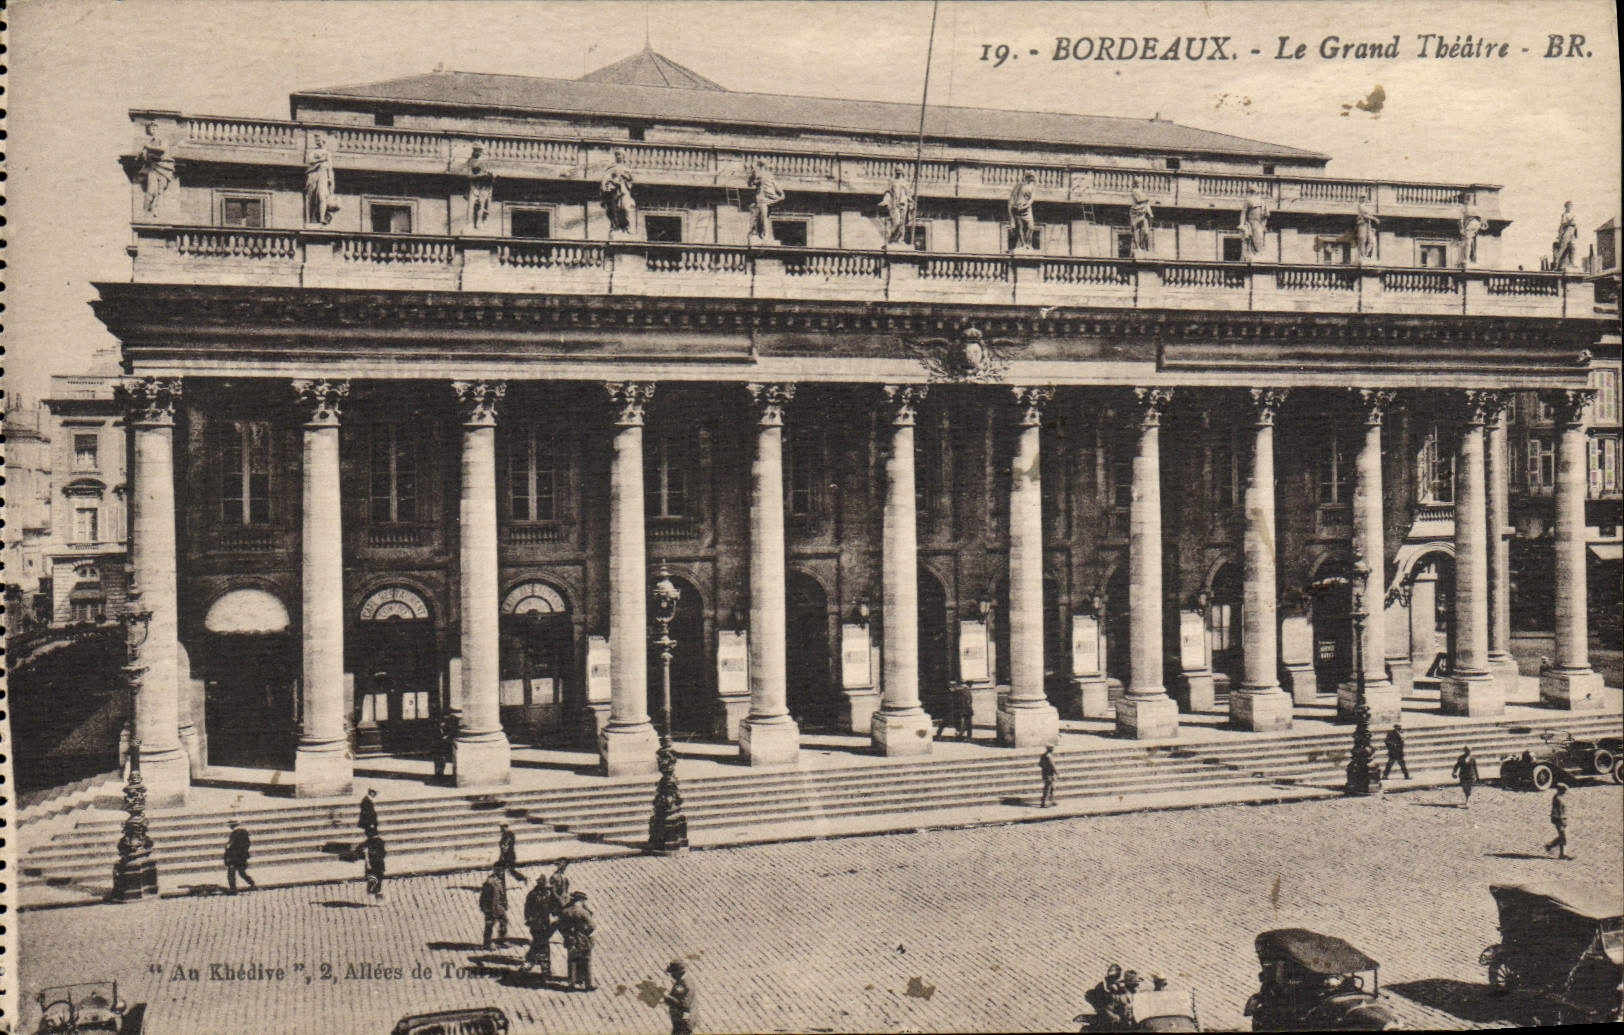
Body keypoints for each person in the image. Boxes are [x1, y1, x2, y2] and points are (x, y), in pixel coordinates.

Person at [560, 890, 596, 991]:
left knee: (572, 961)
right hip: (583, 940)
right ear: (581, 901)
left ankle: (571, 983)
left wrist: (567, 935)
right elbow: (592, 926)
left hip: (570, 939)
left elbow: (561, 926)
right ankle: (588, 984)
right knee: (586, 960)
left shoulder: (565, 911)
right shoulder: (583, 912)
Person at [520, 876, 556, 977]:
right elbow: (527, 908)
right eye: (545, 887)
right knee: (543, 944)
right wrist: (529, 919)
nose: (548, 889)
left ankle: (529, 963)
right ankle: (544, 967)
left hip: (545, 923)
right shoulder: (532, 895)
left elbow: (553, 907)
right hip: (536, 924)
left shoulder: (549, 894)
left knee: (540, 943)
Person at [139, 123, 175, 214]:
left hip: (164, 167)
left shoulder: (162, 139)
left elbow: (162, 149)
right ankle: (146, 211)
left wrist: (148, 147)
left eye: (153, 128)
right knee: (151, 191)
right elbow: (146, 158)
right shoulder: (150, 142)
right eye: (150, 129)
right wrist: (144, 154)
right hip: (153, 167)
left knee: (160, 191)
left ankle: (157, 211)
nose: (152, 130)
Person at [305, 134, 340, 225]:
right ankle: (310, 219)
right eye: (316, 140)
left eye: (319, 140)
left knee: (322, 196)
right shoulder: (313, 152)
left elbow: (330, 169)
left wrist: (332, 183)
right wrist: (321, 160)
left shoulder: (328, 154)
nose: (317, 141)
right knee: (311, 197)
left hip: (324, 176)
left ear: (323, 141)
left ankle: (321, 218)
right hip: (313, 175)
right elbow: (310, 161)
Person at [601, 149, 637, 235]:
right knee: (616, 209)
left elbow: (631, 179)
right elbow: (606, 178)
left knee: (625, 208)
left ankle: (628, 228)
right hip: (615, 191)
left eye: (620, 155)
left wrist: (624, 176)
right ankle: (616, 227)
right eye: (617, 155)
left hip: (624, 190)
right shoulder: (612, 168)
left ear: (623, 157)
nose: (618, 156)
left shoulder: (627, 169)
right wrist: (607, 185)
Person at [747, 160, 784, 241]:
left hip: (764, 197)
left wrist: (753, 179)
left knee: (763, 216)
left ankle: (764, 234)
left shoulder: (758, 173)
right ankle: (763, 234)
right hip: (766, 197)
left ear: (759, 165)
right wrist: (781, 194)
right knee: (764, 216)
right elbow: (776, 185)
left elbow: (749, 183)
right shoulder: (767, 174)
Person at [880, 167, 915, 246]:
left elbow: (908, 194)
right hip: (895, 204)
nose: (898, 172)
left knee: (902, 223)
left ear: (902, 172)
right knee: (897, 222)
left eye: (900, 171)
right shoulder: (892, 182)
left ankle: (900, 240)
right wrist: (885, 200)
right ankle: (892, 239)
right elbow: (888, 192)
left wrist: (911, 203)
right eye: (897, 171)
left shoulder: (905, 183)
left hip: (904, 204)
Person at [479, 866, 510, 949]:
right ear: (496, 871)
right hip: (490, 908)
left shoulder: (499, 880)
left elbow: (501, 894)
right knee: (489, 925)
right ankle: (487, 943)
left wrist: (504, 904)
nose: (502, 873)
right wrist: (484, 908)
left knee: (504, 921)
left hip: (498, 907)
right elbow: (484, 897)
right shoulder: (489, 882)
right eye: (501, 871)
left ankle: (501, 940)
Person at [664, 959, 697, 1035]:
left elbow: (683, 1004)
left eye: (672, 973)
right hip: (680, 1021)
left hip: (683, 1022)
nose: (671, 975)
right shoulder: (682, 980)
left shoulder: (685, 984)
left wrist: (666, 997)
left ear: (679, 972)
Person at [466, 145, 495, 229]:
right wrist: (480, 175)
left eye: (480, 151)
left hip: (484, 186)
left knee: (482, 206)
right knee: (471, 205)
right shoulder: (471, 161)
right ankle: (469, 223)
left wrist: (490, 175)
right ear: (474, 151)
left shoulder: (485, 162)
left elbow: (489, 173)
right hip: (474, 186)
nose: (479, 152)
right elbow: (469, 175)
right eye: (477, 150)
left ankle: (479, 223)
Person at [1008, 171, 1038, 250]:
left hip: (1027, 209)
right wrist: (1014, 208)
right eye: (1029, 177)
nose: (1031, 179)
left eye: (1032, 177)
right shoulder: (1019, 186)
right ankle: (1023, 244)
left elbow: (1032, 199)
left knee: (1031, 227)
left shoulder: (1033, 187)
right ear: (1026, 177)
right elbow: (1012, 198)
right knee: (1020, 227)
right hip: (1018, 208)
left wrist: (1025, 206)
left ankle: (1028, 244)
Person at [224, 820, 255, 893]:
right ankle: (251, 883)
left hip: (235, 857)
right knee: (241, 872)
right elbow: (247, 844)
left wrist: (228, 847)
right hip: (240, 856)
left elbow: (233, 845)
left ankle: (233, 888)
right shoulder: (242, 832)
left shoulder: (236, 833)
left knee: (232, 873)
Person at [1240, 190, 1269, 259]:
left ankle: (1259, 254)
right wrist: (1242, 223)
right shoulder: (1248, 200)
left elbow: (1266, 213)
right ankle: (1257, 253)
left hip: (1260, 223)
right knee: (1256, 237)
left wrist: (1265, 214)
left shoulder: (1262, 201)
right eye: (1253, 192)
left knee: (1260, 237)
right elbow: (1243, 212)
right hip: (1252, 222)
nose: (1255, 193)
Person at [1545, 784, 1570, 859]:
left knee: (1562, 836)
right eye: (1564, 790)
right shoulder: (1558, 799)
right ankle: (1562, 854)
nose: (1565, 792)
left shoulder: (1557, 797)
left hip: (1558, 819)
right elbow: (1560, 812)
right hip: (1559, 820)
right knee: (1563, 837)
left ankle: (1550, 845)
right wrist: (1563, 821)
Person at [1129, 184, 1155, 254]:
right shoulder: (1134, 191)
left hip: (1143, 213)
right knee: (1136, 230)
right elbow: (1138, 200)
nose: (1140, 184)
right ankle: (1137, 247)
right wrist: (1147, 198)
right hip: (1136, 212)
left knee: (1146, 232)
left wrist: (1150, 213)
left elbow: (1147, 204)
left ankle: (1143, 246)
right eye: (1139, 182)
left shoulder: (1142, 193)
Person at [1552, 200, 1578, 269]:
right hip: (1566, 231)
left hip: (1572, 231)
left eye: (1571, 206)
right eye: (1569, 206)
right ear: (1566, 207)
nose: (1570, 207)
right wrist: (1570, 223)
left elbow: (1575, 225)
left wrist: (1575, 233)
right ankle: (1556, 262)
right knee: (1563, 247)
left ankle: (1572, 263)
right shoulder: (1564, 214)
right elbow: (1563, 224)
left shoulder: (1573, 214)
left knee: (1573, 247)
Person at [434, 710, 459, 781]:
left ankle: (441, 773)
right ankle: (438, 773)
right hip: (439, 743)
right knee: (439, 758)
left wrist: (447, 736)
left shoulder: (451, 722)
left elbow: (453, 732)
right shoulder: (438, 723)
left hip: (447, 743)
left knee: (445, 758)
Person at [362, 832, 387, 900]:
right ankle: (375, 894)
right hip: (373, 864)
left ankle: (377, 895)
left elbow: (383, 853)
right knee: (374, 879)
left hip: (376, 864)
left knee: (377, 879)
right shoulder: (368, 843)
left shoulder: (378, 843)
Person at [1459, 199, 1483, 265]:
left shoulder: (1474, 220)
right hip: (1468, 229)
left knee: (1467, 244)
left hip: (1470, 229)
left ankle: (1467, 259)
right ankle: (1467, 259)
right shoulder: (1464, 216)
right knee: (1466, 244)